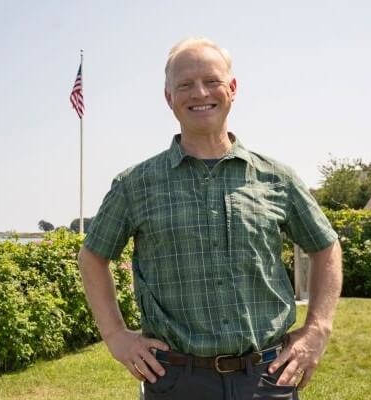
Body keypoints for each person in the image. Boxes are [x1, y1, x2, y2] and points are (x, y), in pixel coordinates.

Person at [78, 37, 342, 400]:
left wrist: (318, 328)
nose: (199, 93)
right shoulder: (134, 185)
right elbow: (92, 257)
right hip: (176, 382)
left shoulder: (277, 178)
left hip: (268, 378)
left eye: (211, 81)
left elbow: (326, 247)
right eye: (184, 85)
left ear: (232, 89)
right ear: (169, 98)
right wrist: (116, 335)